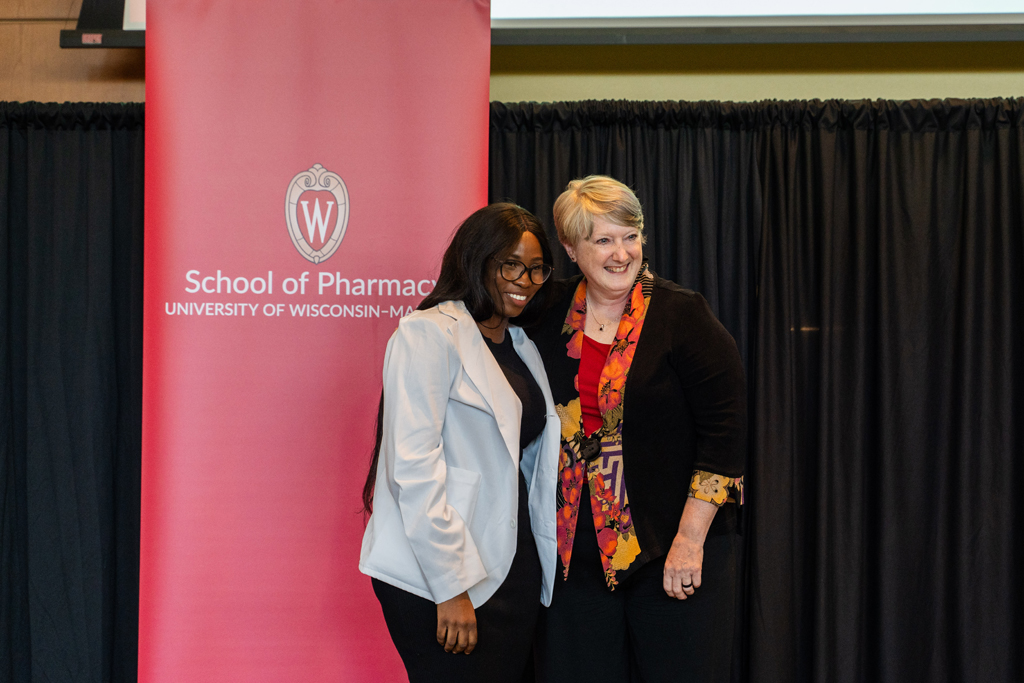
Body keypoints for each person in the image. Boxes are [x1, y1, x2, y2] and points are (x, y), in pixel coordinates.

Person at [526, 176, 746, 682]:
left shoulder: (682, 314)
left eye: (630, 235)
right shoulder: (544, 311)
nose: (621, 253)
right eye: (603, 240)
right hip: (573, 563)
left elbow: (725, 436)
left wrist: (690, 540)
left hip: (670, 554)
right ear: (570, 249)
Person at [359, 203, 561, 683]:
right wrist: (450, 587)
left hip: (512, 564)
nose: (525, 280)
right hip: (441, 571)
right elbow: (412, 467)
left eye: (537, 268)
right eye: (510, 264)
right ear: (477, 260)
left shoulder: (523, 345)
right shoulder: (428, 334)